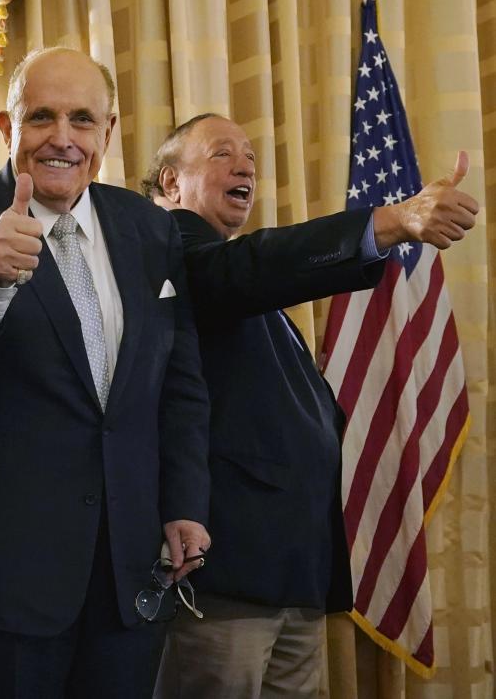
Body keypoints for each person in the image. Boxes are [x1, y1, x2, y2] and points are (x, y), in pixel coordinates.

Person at [0, 46, 212, 698]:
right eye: (41, 117)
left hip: (127, 574)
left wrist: (183, 503)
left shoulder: (149, 229)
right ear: (9, 130)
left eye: (81, 120)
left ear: (108, 133)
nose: (62, 139)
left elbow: (178, 383)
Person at [144, 113, 478, 699]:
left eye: (249, 155)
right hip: (224, 572)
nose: (245, 164)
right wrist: (392, 222)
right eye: (222, 153)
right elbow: (251, 266)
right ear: (171, 185)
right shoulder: (172, 256)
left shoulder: (239, 276)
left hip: (292, 571)